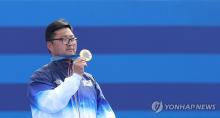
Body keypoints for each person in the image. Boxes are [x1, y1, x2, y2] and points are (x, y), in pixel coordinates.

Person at [27, 19, 116, 118]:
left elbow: (106, 114)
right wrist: (76, 77)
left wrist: (77, 76)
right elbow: (50, 105)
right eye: (64, 39)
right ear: (50, 45)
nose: (70, 43)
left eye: (72, 38)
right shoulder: (40, 77)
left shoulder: (89, 80)